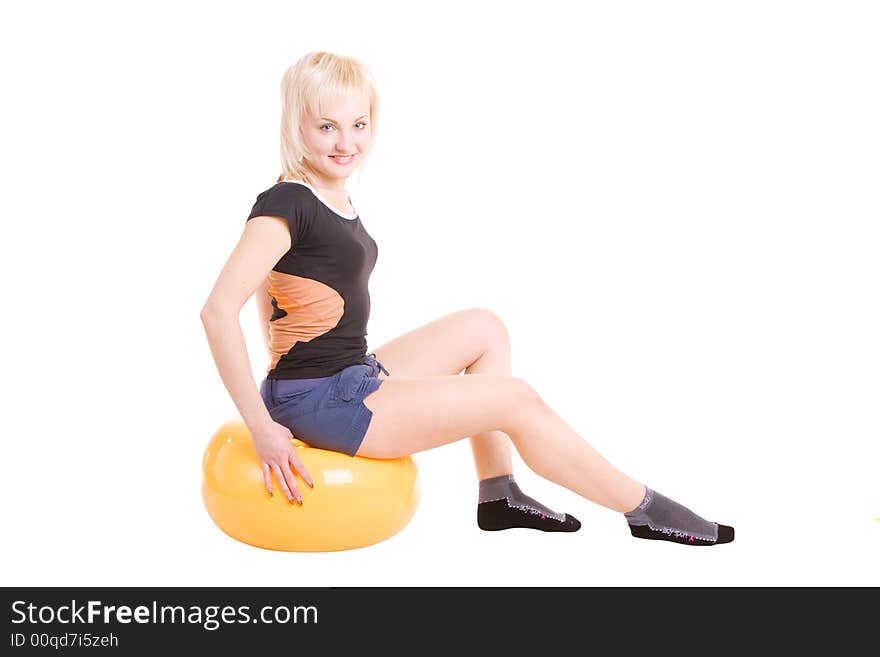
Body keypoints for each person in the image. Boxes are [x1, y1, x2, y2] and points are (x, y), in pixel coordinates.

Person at [200, 51, 734, 546]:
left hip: (346, 374)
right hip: (319, 399)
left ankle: (497, 491)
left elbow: (270, 291)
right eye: (327, 127)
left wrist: (285, 354)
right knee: (515, 398)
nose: (346, 143)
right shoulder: (287, 201)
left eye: (358, 125)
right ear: (297, 127)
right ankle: (641, 508)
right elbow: (218, 309)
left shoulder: (326, 193)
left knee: (484, 328)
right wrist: (262, 424)